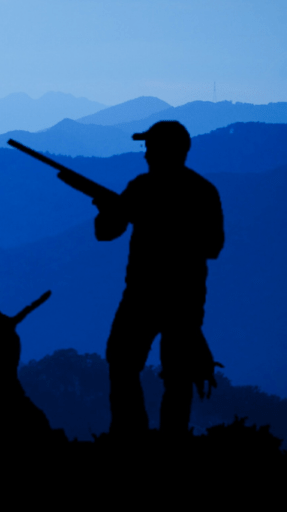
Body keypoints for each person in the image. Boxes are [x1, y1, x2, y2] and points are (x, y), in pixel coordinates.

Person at [67, 120, 224, 437]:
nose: (146, 155)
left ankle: (133, 436)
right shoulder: (197, 190)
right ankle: (154, 436)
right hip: (175, 296)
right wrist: (109, 208)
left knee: (138, 366)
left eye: (151, 148)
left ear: (168, 150)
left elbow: (107, 233)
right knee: (147, 368)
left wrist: (154, 224)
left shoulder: (148, 188)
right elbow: (107, 231)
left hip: (151, 296)